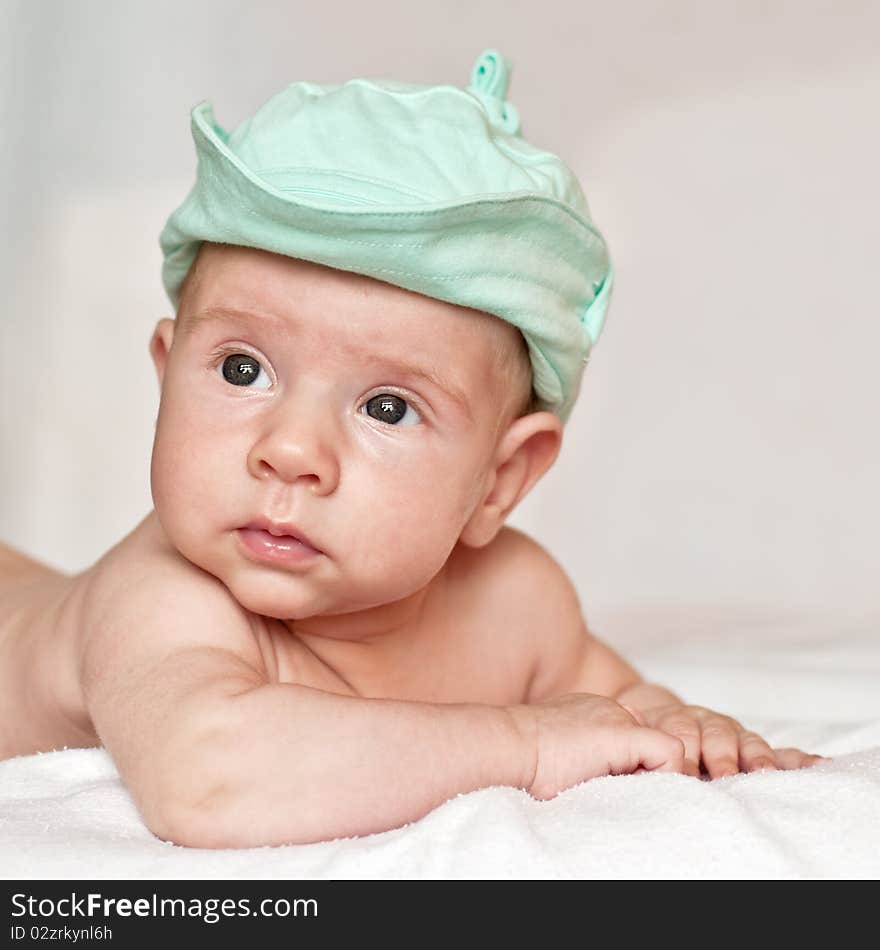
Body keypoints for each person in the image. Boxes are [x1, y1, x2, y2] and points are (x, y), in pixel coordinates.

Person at [0, 50, 825, 848]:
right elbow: (207, 778)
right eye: (243, 368)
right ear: (166, 374)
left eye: (388, 407)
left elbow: (609, 703)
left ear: (500, 481)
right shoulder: (164, 596)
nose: (290, 451)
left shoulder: (516, 602)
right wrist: (521, 743)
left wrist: (680, 727)